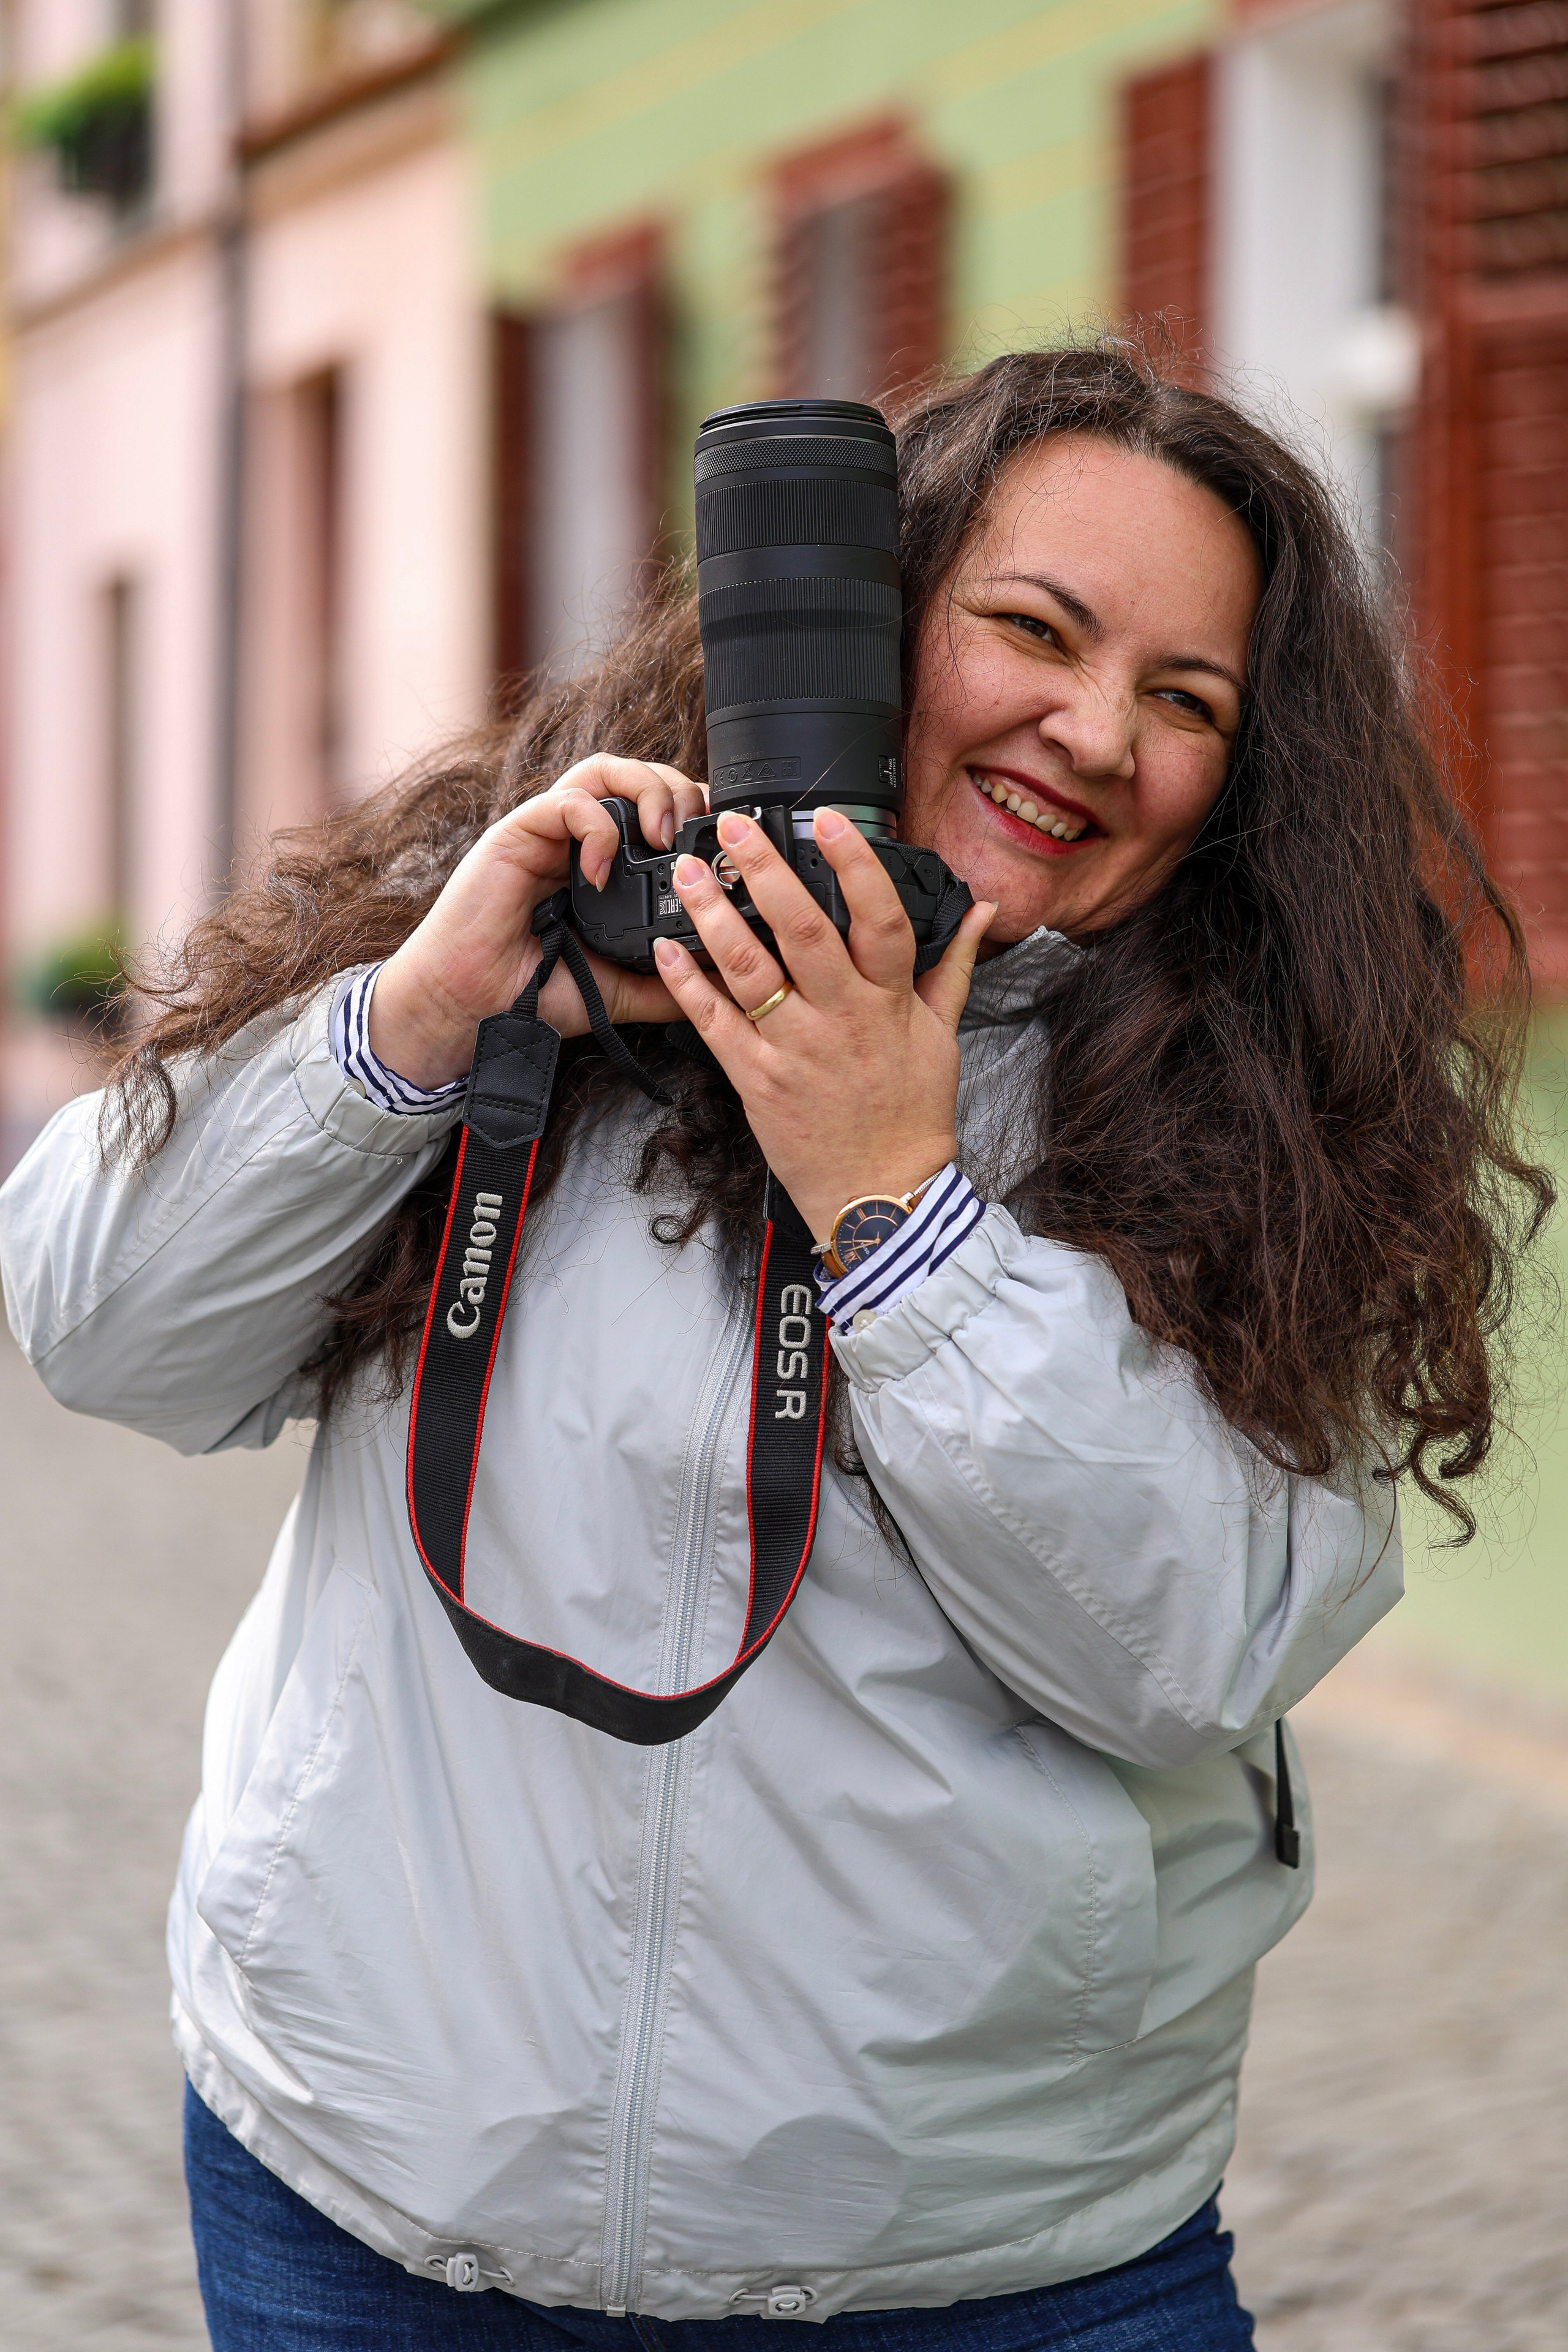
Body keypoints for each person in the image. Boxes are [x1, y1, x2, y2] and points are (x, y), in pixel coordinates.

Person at [0, 347, 1548, 2352]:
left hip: (985, 2274)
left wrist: (897, 1207)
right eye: (1032, 629)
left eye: (1187, 703)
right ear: (859, 613)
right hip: (376, 2212)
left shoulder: (1270, 1113)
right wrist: (417, 1024)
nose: (1092, 732)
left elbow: (1192, 1648)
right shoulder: (543, 920)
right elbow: (101, 1331)